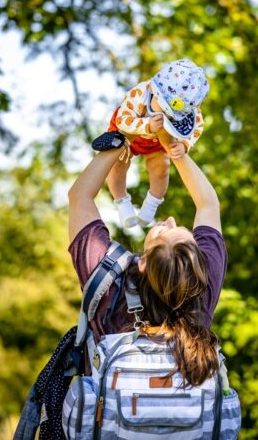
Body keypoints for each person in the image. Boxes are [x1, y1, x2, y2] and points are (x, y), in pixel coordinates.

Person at [67, 128, 225, 388]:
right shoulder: (202, 294)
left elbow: (79, 196)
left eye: (164, 230)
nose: (170, 219)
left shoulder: (109, 287)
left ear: (143, 262)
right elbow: (208, 205)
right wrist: (175, 149)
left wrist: (124, 136)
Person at [100, 58, 209, 228]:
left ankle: (152, 203)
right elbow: (122, 120)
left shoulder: (188, 108)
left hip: (157, 139)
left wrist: (185, 144)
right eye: (164, 108)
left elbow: (197, 126)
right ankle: (122, 202)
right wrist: (146, 125)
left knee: (162, 166)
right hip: (129, 131)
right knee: (117, 162)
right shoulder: (139, 94)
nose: (167, 115)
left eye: (172, 116)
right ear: (153, 88)